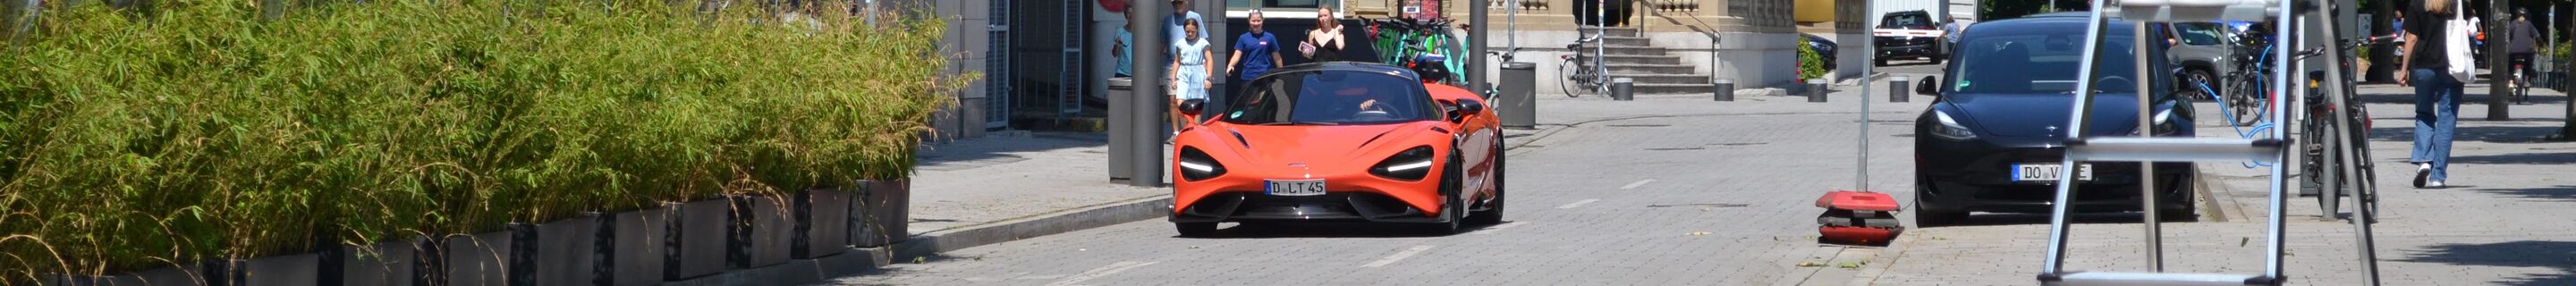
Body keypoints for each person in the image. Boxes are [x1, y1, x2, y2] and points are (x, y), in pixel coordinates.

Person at [2399, 0, 2463, 189]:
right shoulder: (2456, 4)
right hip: (2453, 68)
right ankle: (2438, 177)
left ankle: (2424, 160)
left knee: (2424, 114)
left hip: (2424, 68)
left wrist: (2403, 69)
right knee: (2447, 120)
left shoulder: (2417, 5)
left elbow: (2411, 38)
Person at [1227, 10, 1284, 98]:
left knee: (1263, 106)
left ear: (1263, 20)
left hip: (1265, 77)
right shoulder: (1243, 38)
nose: (1256, 23)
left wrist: (1282, 73)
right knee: (1248, 106)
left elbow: (1277, 58)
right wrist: (1230, 66)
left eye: (1258, 21)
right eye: (1253, 21)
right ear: (1249, 21)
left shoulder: (1270, 37)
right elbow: (1237, 55)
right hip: (1248, 77)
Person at [1171, 21, 1215, 135]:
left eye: (1192, 31)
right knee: (1180, 101)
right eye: (1187, 31)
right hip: (1184, 72)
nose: (1190, 34)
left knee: (1196, 104)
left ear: (1197, 30)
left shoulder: (1203, 43)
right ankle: (1186, 128)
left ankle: (1195, 130)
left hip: (1197, 72)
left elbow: (1209, 60)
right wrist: (1173, 78)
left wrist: (1208, 78)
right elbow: (1177, 61)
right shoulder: (1181, 43)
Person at [2504, 10, 2539, 103]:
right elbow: (2537, 36)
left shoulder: (2513, 24)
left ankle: (2511, 82)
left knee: (2510, 66)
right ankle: (2527, 80)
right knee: (2528, 64)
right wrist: (2541, 42)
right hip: (2527, 51)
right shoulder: (2529, 24)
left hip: (2513, 51)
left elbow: (2508, 35)